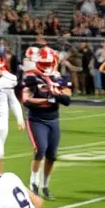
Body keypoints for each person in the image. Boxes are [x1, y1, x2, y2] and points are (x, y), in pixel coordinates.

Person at [21, 47, 71, 199]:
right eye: (43, 62)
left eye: (48, 62)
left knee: (52, 155)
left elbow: (67, 99)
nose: (46, 65)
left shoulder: (59, 78)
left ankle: (45, 185)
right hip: (36, 119)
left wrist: (58, 94)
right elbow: (26, 100)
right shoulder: (32, 77)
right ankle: (33, 183)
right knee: (40, 150)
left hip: (53, 119)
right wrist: (48, 99)